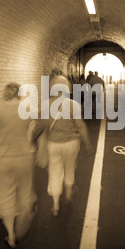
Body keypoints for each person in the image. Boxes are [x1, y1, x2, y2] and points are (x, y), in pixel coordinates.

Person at [0, 83, 37, 248]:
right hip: (24, 156)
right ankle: (25, 217)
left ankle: (10, 236)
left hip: (2, 159)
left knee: (5, 195)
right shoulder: (27, 108)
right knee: (25, 192)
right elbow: (41, 123)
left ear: (5, 93)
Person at [42, 75, 93, 217]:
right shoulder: (73, 105)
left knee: (55, 173)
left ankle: (55, 206)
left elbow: (44, 127)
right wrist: (87, 143)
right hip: (71, 143)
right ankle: (69, 193)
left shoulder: (45, 105)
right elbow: (80, 126)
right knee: (70, 168)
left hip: (53, 144)